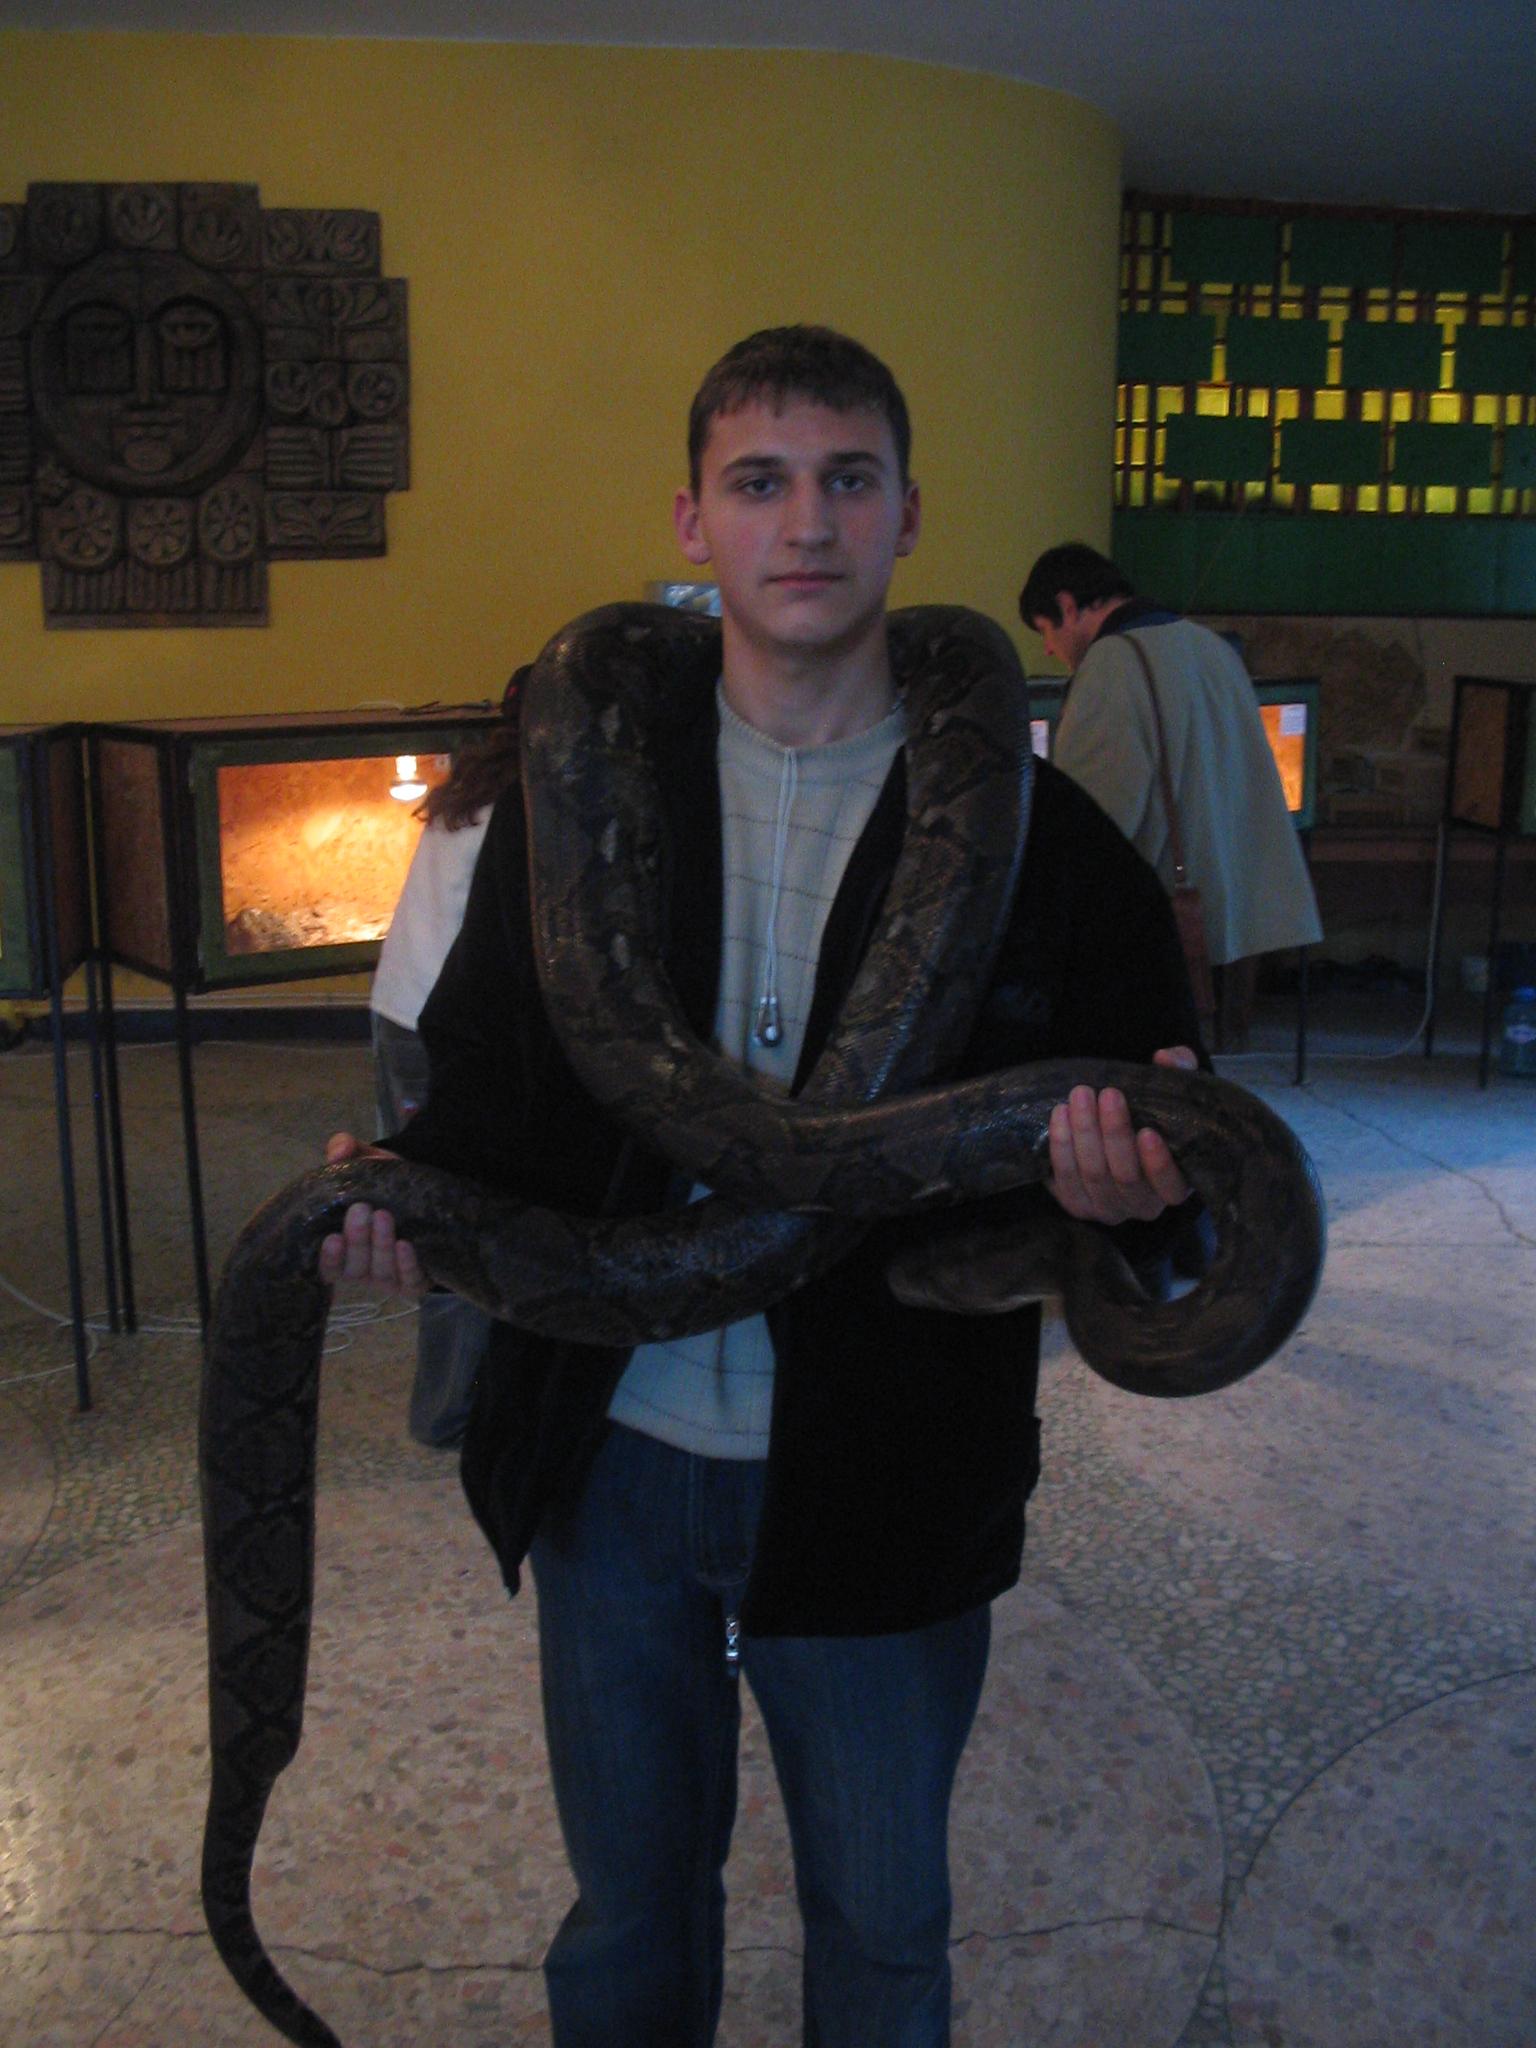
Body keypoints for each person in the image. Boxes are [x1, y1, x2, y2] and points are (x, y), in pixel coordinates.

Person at [318, 327, 1204, 2048]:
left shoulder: (1054, 849)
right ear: (695, 520)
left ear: (907, 515)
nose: (807, 522)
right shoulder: (572, 813)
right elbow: (486, 1090)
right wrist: (400, 1202)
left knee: (883, 1924)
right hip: (615, 1460)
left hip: (885, 1470)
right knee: (629, 1916)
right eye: (761, 482)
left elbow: (1167, 1190)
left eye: (847, 480)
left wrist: (1131, 1197)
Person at [1019, 541, 1321, 1047]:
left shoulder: (1112, 663)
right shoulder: (1209, 646)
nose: (1048, 649)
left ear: (1068, 606)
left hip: (1155, 929)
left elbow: (1096, 822)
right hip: (1230, 911)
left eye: (1045, 630)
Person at [368, 673, 527, 1446]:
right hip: (439, 1027)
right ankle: (446, 1414)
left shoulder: (474, 788)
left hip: (400, 1008)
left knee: (439, 1207)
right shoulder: (523, 804)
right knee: (451, 1215)